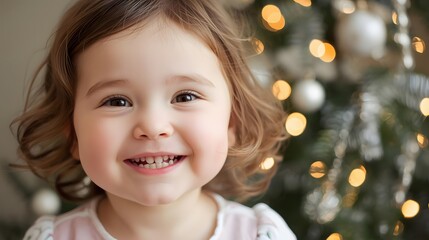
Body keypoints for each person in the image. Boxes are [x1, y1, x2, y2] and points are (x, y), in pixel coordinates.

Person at [13, 0, 296, 239]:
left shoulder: (262, 234)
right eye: (116, 101)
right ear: (72, 133)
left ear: (231, 121)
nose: (153, 127)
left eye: (185, 97)